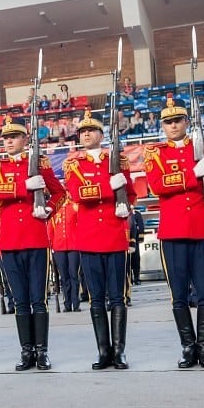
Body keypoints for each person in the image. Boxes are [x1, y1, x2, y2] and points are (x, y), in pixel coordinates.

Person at [143, 97, 204, 368]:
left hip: (201, 227)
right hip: (174, 231)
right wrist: (193, 175)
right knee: (178, 294)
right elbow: (157, 186)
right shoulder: (155, 154)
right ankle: (188, 347)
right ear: (162, 126)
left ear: (186, 122)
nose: (173, 125)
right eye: (168, 122)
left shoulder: (203, 146)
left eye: (178, 120)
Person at [0, 116, 66, 370]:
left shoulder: (39, 164)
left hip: (36, 238)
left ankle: (42, 351)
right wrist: (23, 187)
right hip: (9, 242)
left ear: (25, 139)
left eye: (14, 137)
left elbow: (60, 193)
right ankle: (26, 351)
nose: (9, 141)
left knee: (38, 299)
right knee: (20, 300)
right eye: (6, 138)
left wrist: (49, 210)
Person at [63, 111, 136, 368]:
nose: (86, 134)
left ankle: (119, 351)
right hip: (89, 237)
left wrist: (124, 199)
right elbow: (78, 193)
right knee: (96, 298)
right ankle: (103, 351)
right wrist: (110, 187)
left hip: (114, 235)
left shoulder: (117, 160)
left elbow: (132, 194)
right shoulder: (72, 164)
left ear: (101, 135)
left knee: (117, 296)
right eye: (82, 131)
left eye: (91, 130)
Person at [48, 200, 80, 313]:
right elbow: (50, 229)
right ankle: (67, 303)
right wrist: (51, 246)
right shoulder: (55, 209)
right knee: (64, 277)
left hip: (73, 245)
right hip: (59, 246)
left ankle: (76, 303)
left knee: (73, 275)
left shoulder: (75, 207)